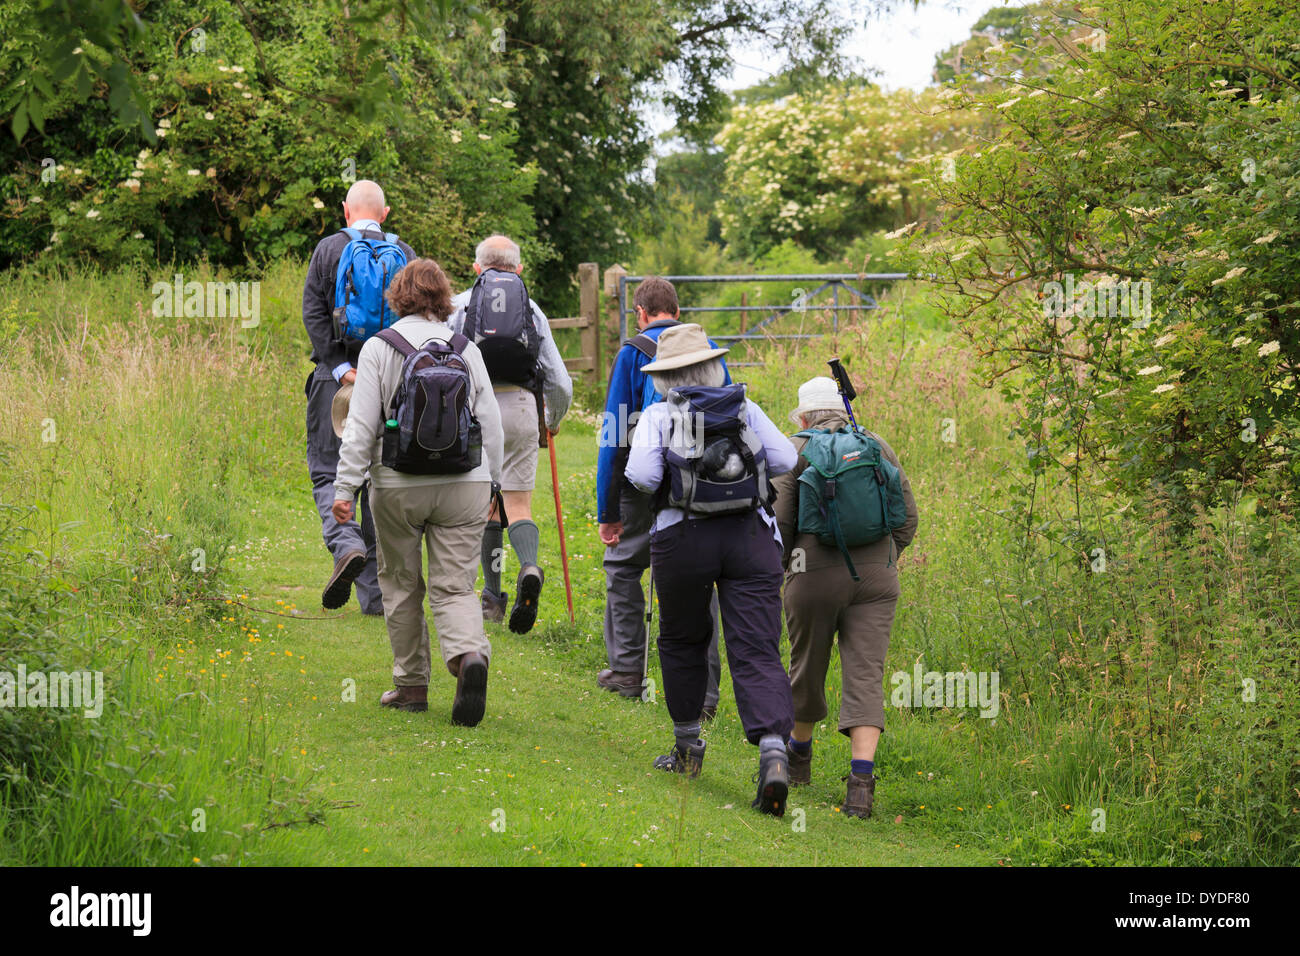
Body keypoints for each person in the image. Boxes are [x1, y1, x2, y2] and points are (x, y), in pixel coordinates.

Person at [625, 324, 799, 815]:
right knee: (757, 647)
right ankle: (772, 753)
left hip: (682, 539)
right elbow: (787, 458)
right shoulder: (745, 406)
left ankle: (687, 749)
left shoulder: (660, 413)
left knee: (683, 639)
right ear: (712, 365)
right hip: (751, 538)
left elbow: (641, 476)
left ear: (666, 376)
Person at [332, 258, 504, 726]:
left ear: (398, 296)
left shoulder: (378, 348)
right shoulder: (466, 348)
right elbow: (491, 423)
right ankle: (468, 656)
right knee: (455, 585)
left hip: (396, 483)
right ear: (444, 297)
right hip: (465, 483)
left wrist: (345, 487)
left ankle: (411, 685)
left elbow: (361, 426)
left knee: (401, 583)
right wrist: (496, 483)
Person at [771, 376, 919, 819]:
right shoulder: (875, 445)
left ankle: (798, 759)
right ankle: (860, 787)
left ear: (803, 416)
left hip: (812, 573)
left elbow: (779, 524)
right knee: (866, 676)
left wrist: (786, 568)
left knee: (806, 664)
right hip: (877, 578)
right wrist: (884, 558)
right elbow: (907, 518)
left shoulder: (792, 450)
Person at [595, 277, 725, 716]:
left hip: (641, 478)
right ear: (676, 309)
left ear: (641, 312)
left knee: (624, 568)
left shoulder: (633, 352)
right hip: (702, 483)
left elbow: (614, 432)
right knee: (699, 577)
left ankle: (628, 671)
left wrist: (607, 509)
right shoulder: (708, 349)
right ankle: (705, 695)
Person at [447, 235, 572, 634]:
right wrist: (551, 418)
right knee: (518, 503)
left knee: (487, 504)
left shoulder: (460, 306)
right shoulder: (531, 309)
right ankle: (530, 566)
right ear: (519, 269)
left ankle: (492, 598)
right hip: (521, 408)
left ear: (476, 268)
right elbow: (560, 383)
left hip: (475, 410)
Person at [302, 180, 417, 614]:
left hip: (338, 383)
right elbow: (418, 319)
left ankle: (345, 543)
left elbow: (313, 311)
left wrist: (337, 365)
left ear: (346, 212)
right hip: (391, 384)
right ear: (384, 213)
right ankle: (376, 598)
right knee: (378, 483)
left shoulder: (329, 250)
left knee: (329, 471)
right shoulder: (403, 253)